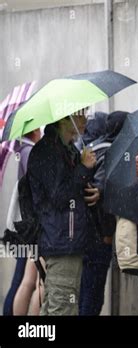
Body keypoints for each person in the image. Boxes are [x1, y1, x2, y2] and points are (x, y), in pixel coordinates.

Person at [28, 110, 98, 316]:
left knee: (55, 307)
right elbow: (59, 196)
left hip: (66, 240)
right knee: (62, 308)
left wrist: (90, 177)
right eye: (79, 115)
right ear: (63, 120)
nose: (85, 120)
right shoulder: (48, 151)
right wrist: (83, 168)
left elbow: (72, 188)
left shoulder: (66, 149)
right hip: (61, 242)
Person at [78, 111, 127, 316]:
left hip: (85, 234)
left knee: (87, 291)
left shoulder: (90, 147)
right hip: (99, 235)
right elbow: (97, 189)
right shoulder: (109, 151)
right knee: (93, 294)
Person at [3, 129, 42, 315]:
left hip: (25, 227)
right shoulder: (28, 152)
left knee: (23, 280)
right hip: (28, 228)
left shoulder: (24, 150)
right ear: (34, 130)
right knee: (24, 280)